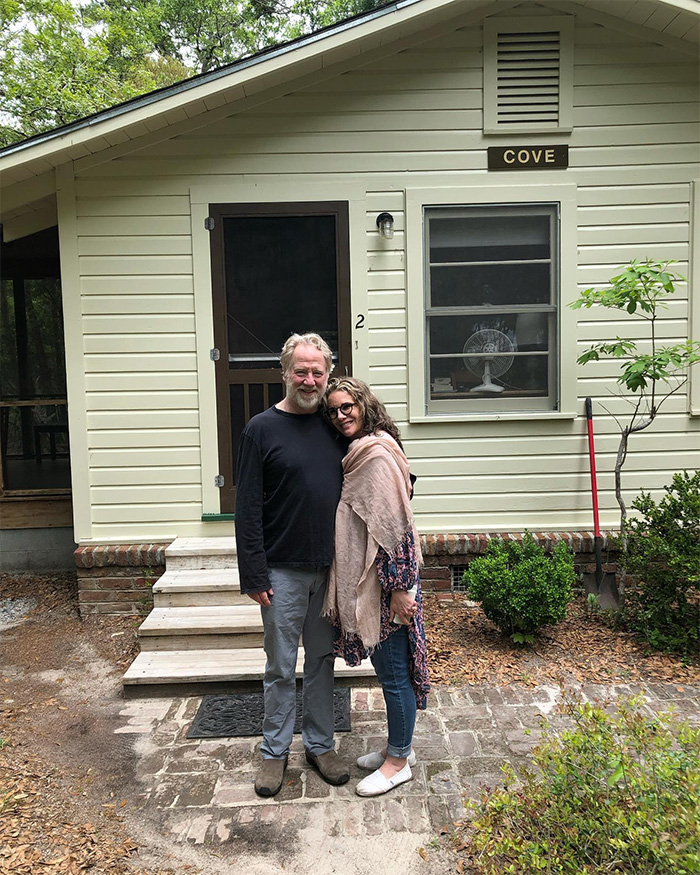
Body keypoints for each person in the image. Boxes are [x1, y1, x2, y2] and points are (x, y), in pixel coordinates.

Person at [235, 333, 351, 798]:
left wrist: (401, 477)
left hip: (331, 570)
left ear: (327, 374)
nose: (309, 379)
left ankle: (320, 745)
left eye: (317, 371)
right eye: (300, 371)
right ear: (285, 373)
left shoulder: (337, 425)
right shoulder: (260, 429)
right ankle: (273, 752)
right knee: (281, 666)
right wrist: (254, 573)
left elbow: (373, 457)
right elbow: (247, 509)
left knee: (322, 661)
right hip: (280, 570)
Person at [322, 377, 429, 797]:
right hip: (377, 581)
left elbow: (395, 527)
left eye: (347, 406)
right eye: (333, 410)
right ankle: (397, 746)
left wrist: (402, 588)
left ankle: (398, 762)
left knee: (394, 675)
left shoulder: (375, 456)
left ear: (364, 405)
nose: (340, 415)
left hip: (388, 584)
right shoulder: (362, 451)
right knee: (389, 672)